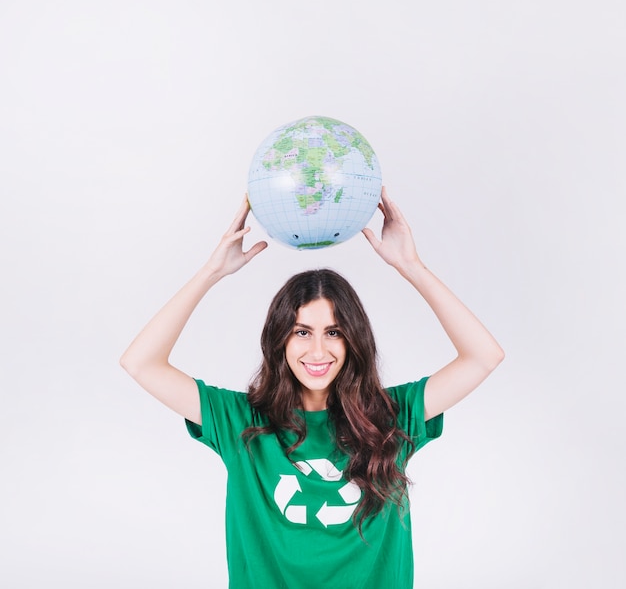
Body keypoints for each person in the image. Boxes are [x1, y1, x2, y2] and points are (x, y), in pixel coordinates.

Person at [120, 187, 504, 589]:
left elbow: (483, 357)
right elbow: (140, 362)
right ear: (280, 339)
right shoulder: (239, 422)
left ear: (353, 339)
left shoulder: (392, 416)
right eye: (302, 331)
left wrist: (411, 266)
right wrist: (210, 273)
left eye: (333, 332)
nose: (317, 350)